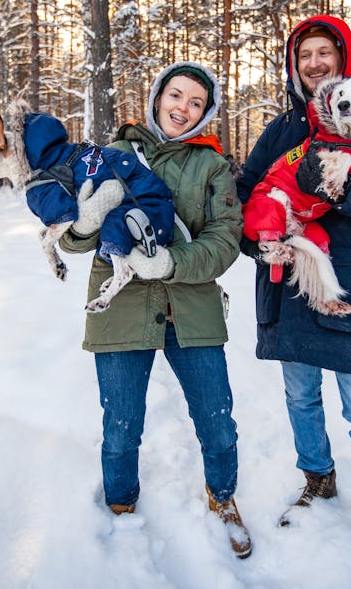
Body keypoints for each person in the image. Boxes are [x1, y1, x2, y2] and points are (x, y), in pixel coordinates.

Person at [236, 16, 351, 588]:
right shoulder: (283, 127)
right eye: (304, 55)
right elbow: (246, 195)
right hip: (289, 283)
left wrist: (343, 187)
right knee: (300, 395)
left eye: (323, 54)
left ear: (343, 61)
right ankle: (318, 477)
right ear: (296, 65)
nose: (314, 63)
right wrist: (258, 242)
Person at [60, 61, 252, 559]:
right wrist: (82, 227)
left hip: (193, 310)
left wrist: (170, 261)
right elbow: (77, 241)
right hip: (120, 310)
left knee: (217, 419)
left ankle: (223, 496)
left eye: (195, 102)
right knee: (121, 424)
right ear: (157, 97)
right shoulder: (113, 156)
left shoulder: (212, 165)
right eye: (176, 95)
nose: (182, 109)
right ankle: (122, 505)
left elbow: (225, 240)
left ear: (205, 112)